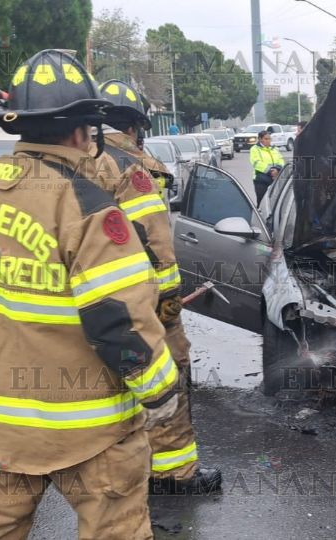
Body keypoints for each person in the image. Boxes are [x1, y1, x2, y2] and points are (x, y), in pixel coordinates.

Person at [0, 49, 177, 539]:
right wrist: (161, 393)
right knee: (117, 529)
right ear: (83, 132)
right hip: (89, 431)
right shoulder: (88, 206)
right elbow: (119, 320)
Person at [95, 79, 222, 495]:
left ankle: (120, 469)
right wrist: (168, 309)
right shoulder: (132, 170)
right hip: (137, 301)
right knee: (167, 379)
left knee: (107, 385)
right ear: (135, 126)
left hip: (84, 305)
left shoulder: (71, 162)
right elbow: (157, 243)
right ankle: (173, 474)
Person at [250, 130, 285, 202]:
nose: (268, 141)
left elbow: (281, 160)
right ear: (260, 139)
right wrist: (270, 171)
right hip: (261, 179)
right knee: (262, 201)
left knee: (275, 201)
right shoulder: (255, 149)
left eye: (269, 139)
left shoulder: (274, 149)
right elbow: (256, 163)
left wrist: (278, 169)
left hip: (274, 178)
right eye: (266, 139)